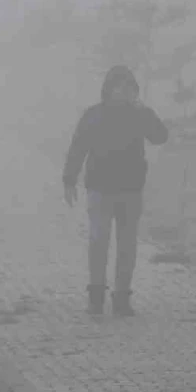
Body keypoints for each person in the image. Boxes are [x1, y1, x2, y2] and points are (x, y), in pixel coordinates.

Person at [62, 65, 169, 316]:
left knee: (127, 246)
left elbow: (160, 136)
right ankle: (96, 297)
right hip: (100, 190)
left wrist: (145, 112)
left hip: (131, 191)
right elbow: (78, 147)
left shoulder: (140, 115)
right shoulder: (94, 115)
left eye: (129, 87)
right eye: (119, 87)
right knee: (98, 242)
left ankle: (122, 298)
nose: (124, 91)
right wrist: (69, 179)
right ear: (108, 89)